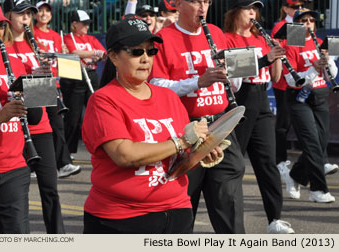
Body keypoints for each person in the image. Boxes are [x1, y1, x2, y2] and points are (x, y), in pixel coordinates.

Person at [82, 18, 224, 234]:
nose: (145, 59)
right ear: (113, 56)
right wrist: (183, 141)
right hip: (121, 218)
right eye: (136, 52)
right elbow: (125, 154)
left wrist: (200, 155)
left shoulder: (169, 97)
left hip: (177, 211)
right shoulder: (103, 100)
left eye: (150, 52)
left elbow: (179, 162)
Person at [150, 0, 246, 234]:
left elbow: (236, 84)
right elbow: (156, 85)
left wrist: (231, 74)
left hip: (221, 122)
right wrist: (198, 82)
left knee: (229, 197)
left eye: (206, 1)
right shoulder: (164, 37)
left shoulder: (215, 32)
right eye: (194, 1)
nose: (202, 8)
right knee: (183, 203)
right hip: (186, 128)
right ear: (178, 4)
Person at [224, 0, 295, 233]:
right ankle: (232, 224)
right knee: (235, 166)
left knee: (268, 163)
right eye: (248, 9)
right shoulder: (226, 38)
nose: (253, 14)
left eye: (255, 10)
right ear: (236, 12)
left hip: (262, 100)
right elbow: (236, 72)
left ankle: (275, 219)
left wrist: (275, 55)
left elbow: (275, 78)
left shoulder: (260, 39)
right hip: (240, 99)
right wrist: (265, 58)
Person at [3, 0, 65, 233]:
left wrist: (44, 78)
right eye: (20, 13)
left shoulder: (33, 44)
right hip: (14, 128)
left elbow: (41, 99)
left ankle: (57, 236)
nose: (26, 17)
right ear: (8, 15)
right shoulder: (1, 46)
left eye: (29, 13)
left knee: (50, 188)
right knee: (18, 194)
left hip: (40, 126)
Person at [282, 8, 337, 203]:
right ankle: (317, 189)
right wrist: (313, 70)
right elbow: (291, 79)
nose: (308, 23)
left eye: (311, 20)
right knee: (312, 143)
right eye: (303, 20)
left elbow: (333, 73)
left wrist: (328, 61)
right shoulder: (291, 43)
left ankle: (295, 175)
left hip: (320, 95)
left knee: (321, 142)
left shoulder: (320, 42)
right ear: (297, 23)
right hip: (300, 98)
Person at [0, 0, 30, 233]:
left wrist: (39, 87)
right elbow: (0, 115)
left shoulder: (15, 63)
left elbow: (33, 117)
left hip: (14, 166)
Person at [33, 0, 81, 178]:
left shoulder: (55, 35)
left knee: (56, 124)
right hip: (38, 83)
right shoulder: (31, 33)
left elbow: (62, 60)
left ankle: (62, 164)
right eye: (40, 11)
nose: (44, 14)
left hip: (54, 83)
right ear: (35, 14)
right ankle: (36, 163)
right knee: (37, 125)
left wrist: (64, 55)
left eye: (47, 11)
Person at [61, 10, 106, 156]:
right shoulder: (68, 37)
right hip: (74, 75)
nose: (87, 27)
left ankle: (101, 147)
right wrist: (94, 53)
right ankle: (68, 152)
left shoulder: (90, 38)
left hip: (90, 74)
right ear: (75, 24)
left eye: (88, 24)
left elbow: (103, 54)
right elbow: (73, 52)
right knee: (73, 117)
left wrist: (93, 54)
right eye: (84, 24)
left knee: (97, 113)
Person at [270, 0, 304, 183]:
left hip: (298, 81)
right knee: (283, 123)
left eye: (300, 6)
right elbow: (278, 50)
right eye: (294, 6)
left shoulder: (300, 24)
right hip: (283, 83)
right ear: (285, 8)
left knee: (296, 122)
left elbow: (299, 50)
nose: (298, 9)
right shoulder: (280, 26)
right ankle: (279, 160)